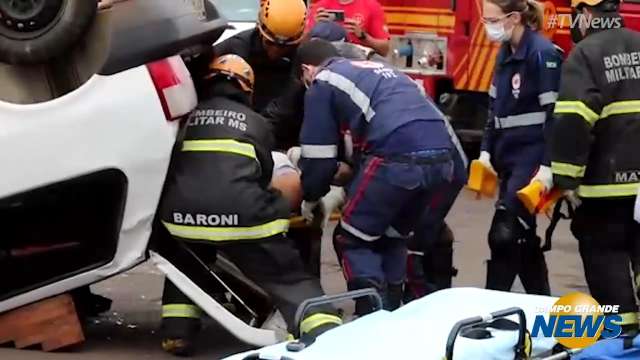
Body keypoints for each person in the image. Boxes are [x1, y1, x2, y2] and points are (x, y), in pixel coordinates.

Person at [158, 54, 341, 356]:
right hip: (243, 218)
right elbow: (265, 175)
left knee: (187, 263)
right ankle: (324, 329)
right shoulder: (255, 123)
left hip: (180, 219)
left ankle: (178, 330)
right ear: (247, 90)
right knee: (287, 276)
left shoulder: (184, 118)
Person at [295, 39, 455, 315]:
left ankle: (373, 313)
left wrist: (309, 196)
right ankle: (392, 311)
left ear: (306, 70)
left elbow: (319, 159)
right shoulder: (383, 72)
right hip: (442, 159)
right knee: (390, 236)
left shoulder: (322, 81)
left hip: (398, 159)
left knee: (350, 238)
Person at [550, 0, 640, 332]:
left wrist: (565, 178)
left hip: (605, 191)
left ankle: (622, 339)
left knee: (607, 262)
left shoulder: (585, 55)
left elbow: (573, 119)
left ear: (586, 13)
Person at [477, 0, 562, 295]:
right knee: (522, 236)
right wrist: (485, 152)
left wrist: (549, 167)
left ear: (513, 18)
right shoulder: (504, 54)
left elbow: (555, 116)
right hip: (507, 158)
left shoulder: (542, 54)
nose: (487, 25)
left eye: (492, 19)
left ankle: (488, 309)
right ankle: (544, 305)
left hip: (532, 159)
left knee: (504, 233)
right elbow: (493, 109)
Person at [212, 0, 307, 114]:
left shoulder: (303, 56)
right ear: (260, 29)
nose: (275, 51)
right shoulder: (237, 48)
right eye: (270, 42)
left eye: (284, 47)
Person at [306, 0, 390, 56]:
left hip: (358, 63)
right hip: (325, 60)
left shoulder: (372, 6)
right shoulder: (321, 5)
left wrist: (362, 36)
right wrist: (315, 28)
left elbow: (384, 50)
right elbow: (303, 45)